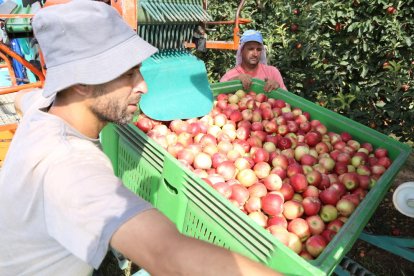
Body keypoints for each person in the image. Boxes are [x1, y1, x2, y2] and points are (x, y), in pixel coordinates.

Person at [0, 1, 280, 276]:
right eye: (128, 75)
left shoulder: (43, 107)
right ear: (80, 84)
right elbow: (167, 255)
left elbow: (23, 99)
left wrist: (21, 101)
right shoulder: (70, 168)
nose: (143, 86)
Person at [220, 30, 287, 93]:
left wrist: (278, 88)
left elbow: (287, 100)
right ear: (241, 50)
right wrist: (234, 81)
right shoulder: (230, 76)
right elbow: (217, 96)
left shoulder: (272, 73)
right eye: (251, 49)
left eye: (258, 49)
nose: (255, 54)